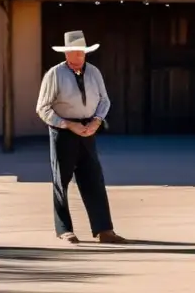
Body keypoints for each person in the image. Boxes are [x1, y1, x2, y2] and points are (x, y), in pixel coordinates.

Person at [36, 30, 127, 244]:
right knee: (62, 181)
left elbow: (104, 100)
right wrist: (68, 124)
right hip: (63, 130)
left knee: (94, 178)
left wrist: (96, 121)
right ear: (66, 54)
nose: (78, 58)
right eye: (74, 53)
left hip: (88, 129)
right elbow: (43, 108)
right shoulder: (55, 74)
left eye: (81, 53)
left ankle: (104, 229)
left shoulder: (94, 72)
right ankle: (64, 229)